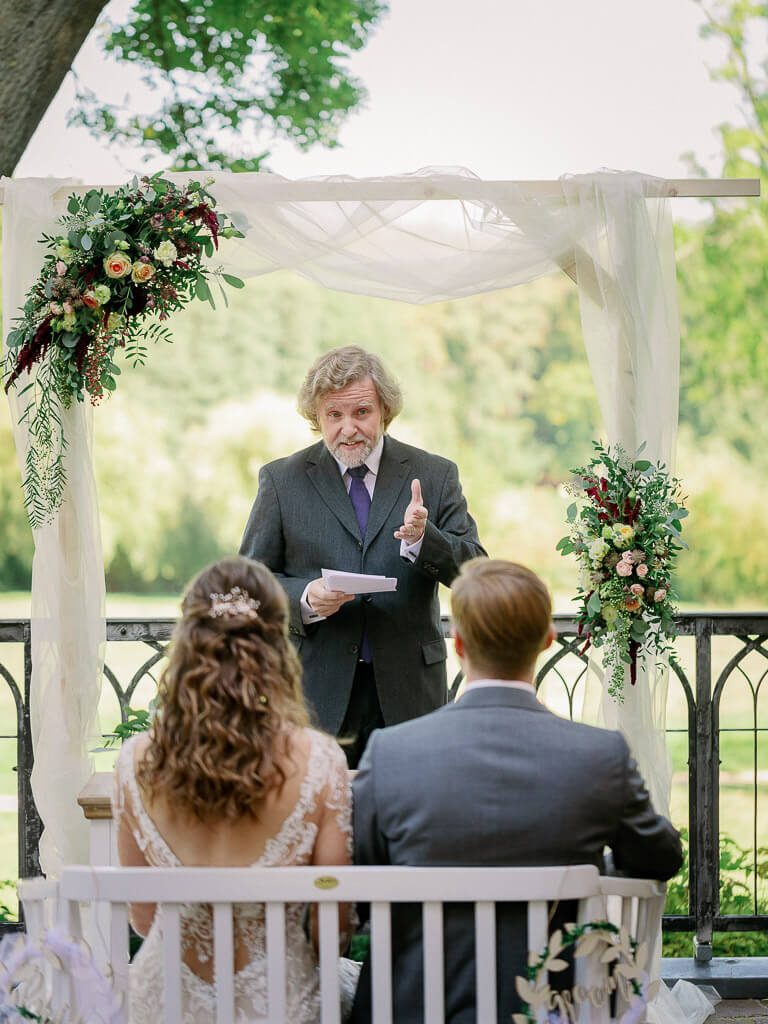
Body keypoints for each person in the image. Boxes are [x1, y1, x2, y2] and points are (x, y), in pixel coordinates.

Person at [351, 558, 684, 1024]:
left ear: (459, 644)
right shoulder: (599, 756)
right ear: (547, 641)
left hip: (412, 1005)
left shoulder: (389, 752)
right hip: (556, 1006)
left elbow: (362, 884)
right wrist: (594, 863)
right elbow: (662, 857)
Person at [112, 556, 359, 1023]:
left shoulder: (136, 761)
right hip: (279, 1005)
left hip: (164, 1004)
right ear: (274, 647)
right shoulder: (320, 760)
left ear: (186, 646)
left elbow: (144, 919)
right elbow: (333, 929)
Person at [239, 346, 485, 767]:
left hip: (411, 693)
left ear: (385, 409)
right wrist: (305, 598)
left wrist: (426, 538)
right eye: (334, 416)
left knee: (408, 825)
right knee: (321, 824)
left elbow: (475, 572)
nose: (348, 429)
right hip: (316, 693)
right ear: (317, 417)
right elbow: (246, 586)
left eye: (361, 412)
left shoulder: (436, 474)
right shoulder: (281, 480)